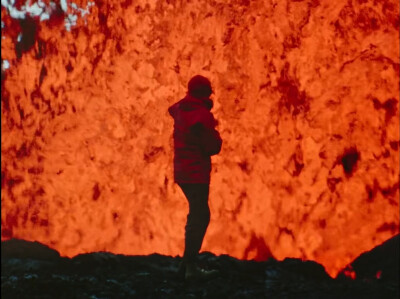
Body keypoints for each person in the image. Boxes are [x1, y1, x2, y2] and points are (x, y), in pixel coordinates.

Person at [168, 75, 222, 281]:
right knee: (200, 215)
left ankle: (186, 265)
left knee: (196, 214)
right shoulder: (201, 115)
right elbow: (211, 146)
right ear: (205, 93)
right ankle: (191, 266)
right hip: (195, 172)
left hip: (182, 170)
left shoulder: (182, 111)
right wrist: (217, 138)